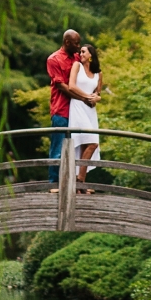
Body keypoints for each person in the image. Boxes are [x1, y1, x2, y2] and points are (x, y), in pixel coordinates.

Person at [46, 29, 96, 187]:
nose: (78, 46)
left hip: (79, 111)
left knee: (81, 146)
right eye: (76, 43)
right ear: (67, 42)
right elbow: (62, 86)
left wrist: (95, 94)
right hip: (62, 110)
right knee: (58, 148)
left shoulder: (77, 57)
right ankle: (55, 183)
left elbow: (89, 73)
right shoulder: (54, 59)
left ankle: (76, 182)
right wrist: (84, 98)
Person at [68, 45, 101, 189]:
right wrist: (87, 96)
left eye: (83, 52)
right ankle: (79, 180)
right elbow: (71, 86)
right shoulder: (77, 66)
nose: (80, 54)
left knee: (85, 144)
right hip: (78, 106)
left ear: (91, 55)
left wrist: (96, 98)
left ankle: (80, 183)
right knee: (93, 143)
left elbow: (98, 93)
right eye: (80, 51)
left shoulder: (98, 73)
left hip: (90, 110)